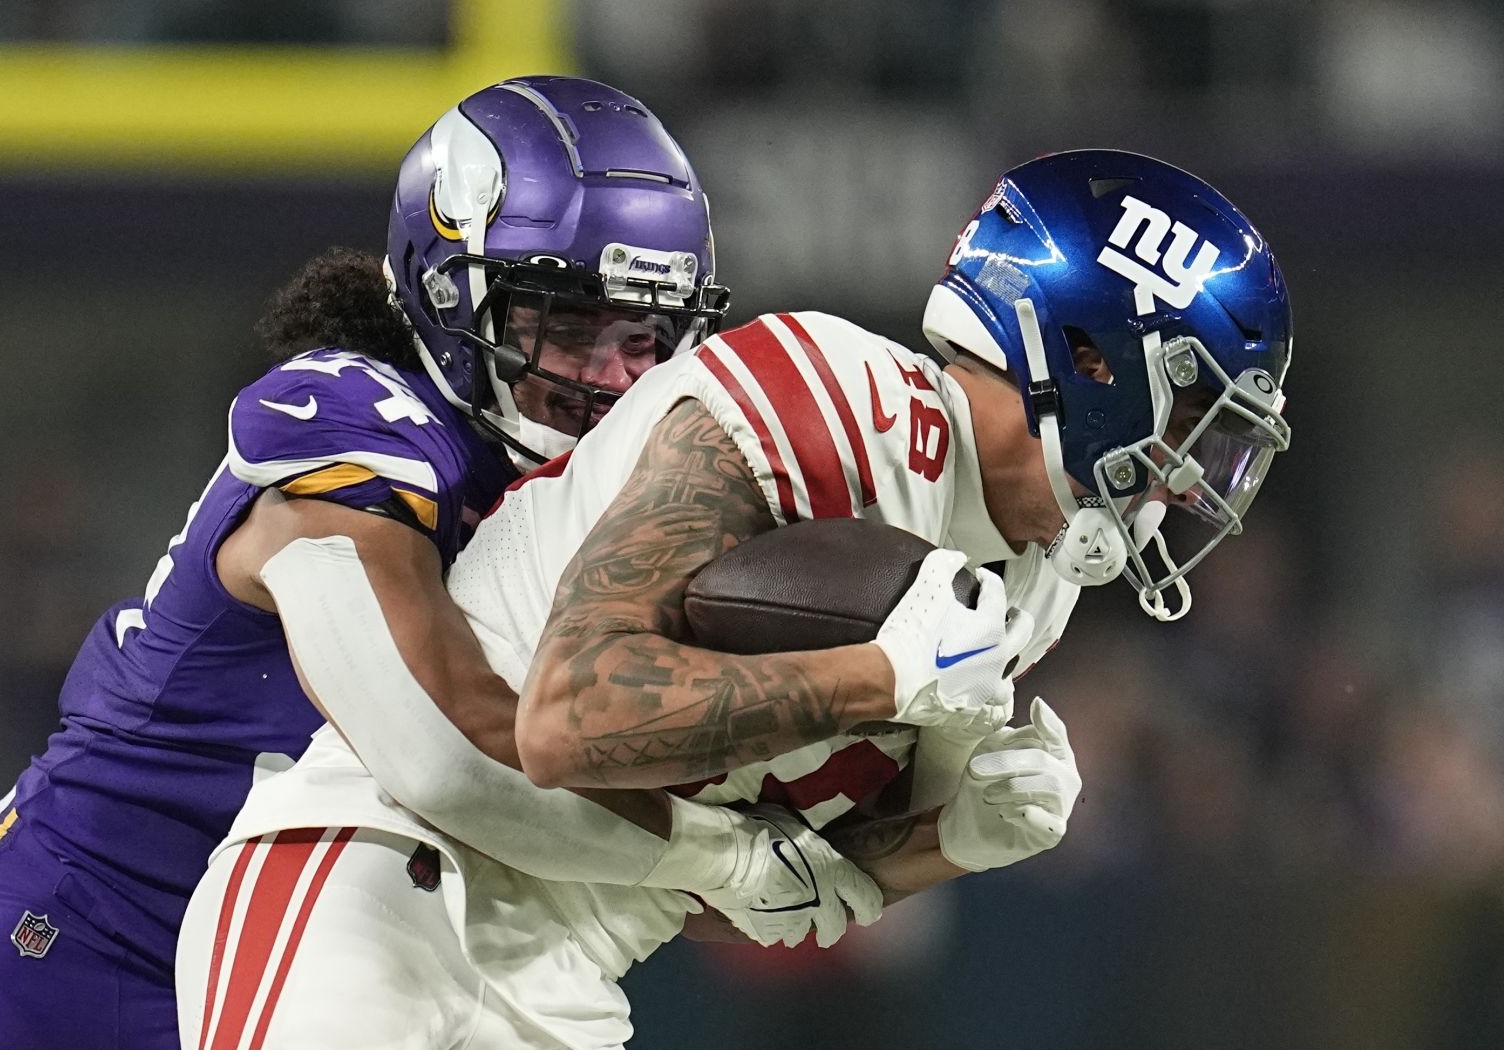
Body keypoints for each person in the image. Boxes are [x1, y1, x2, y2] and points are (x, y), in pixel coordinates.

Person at [176, 149, 1293, 1049]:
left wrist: (953, 841)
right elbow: (566, 719)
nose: (1195, 473)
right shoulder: (831, 395)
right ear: (1090, 359)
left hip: (572, 983)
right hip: (376, 887)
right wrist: (877, 675)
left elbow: (766, 890)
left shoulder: (1034, 581)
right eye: (1195, 417)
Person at [0, 75, 787, 1050]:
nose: (610, 378)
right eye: (567, 325)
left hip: (333, 972)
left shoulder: (628, 509)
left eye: (643, 335)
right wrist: (726, 852)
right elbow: (445, 749)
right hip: (83, 939)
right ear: (449, 294)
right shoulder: (366, 428)